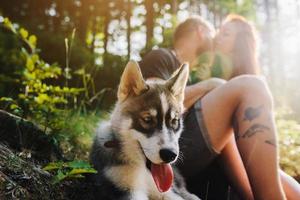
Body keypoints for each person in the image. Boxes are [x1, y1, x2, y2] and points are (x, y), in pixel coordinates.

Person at [138, 15, 296, 200]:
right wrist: (209, 85)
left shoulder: (203, 75)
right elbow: (150, 105)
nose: (215, 39)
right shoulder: (163, 57)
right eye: (215, 32)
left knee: (271, 171)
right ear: (201, 31)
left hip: (201, 167)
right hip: (164, 151)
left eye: (224, 34)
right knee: (252, 86)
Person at [210, 14, 300, 200]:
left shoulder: (253, 89)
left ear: (239, 45)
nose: (217, 37)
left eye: (225, 34)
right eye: (219, 31)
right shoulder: (211, 80)